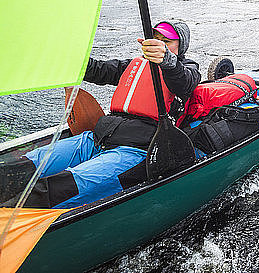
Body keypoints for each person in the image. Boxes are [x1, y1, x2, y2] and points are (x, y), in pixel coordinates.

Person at [0, 21, 200, 208]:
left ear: (180, 47)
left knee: (56, 188)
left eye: (166, 41)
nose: (159, 44)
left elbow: (184, 81)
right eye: (156, 39)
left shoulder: (186, 70)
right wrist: (66, 57)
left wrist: (167, 60)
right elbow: (98, 70)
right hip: (96, 139)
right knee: (22, 167)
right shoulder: (134, 65)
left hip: (134, 151)